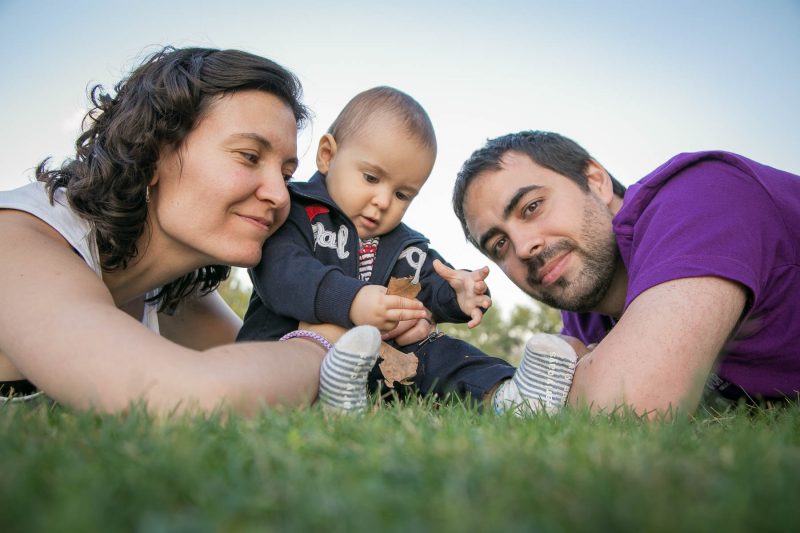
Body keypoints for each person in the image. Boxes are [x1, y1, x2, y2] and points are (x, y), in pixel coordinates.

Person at [0, 46, 391, 414]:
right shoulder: (17, 242)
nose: (279, 195)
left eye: (286, 174)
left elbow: (260, 367)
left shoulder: (169, 289)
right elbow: (187, 396)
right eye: (249, 157)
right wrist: (320, 348)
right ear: (153, 152)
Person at [238, 87, 579, 414]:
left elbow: (431, 279)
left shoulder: (403, 244)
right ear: (328, 156)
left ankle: (509, 396)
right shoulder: (296, 210)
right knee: (321, 342)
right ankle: (330, 393)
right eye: (371, 178)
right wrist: (353, 301)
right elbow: (283, 273)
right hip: (282, 354)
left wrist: (459, 292)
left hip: (380, 371)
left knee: (440, 349)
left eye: (403, 194)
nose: (383, 202)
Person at [453, 130, 800, 416]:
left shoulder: (701, 197)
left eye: (532, 207)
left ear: (595, 180)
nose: (523, 246)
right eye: (499, 245)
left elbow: (629, 404)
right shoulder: (586, 315)